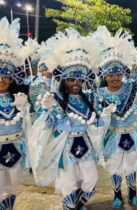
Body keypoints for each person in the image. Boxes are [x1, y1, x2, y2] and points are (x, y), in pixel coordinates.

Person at [30, 28, 115, 210]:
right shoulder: (55, 98)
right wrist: (45, 110)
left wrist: (106, 114)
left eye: (79, 79)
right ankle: (71, 206)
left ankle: (77, 203)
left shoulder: (90, 98)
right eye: (71, 79)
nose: (75, 83)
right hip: (65, 146)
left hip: (85, 144)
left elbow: (95, 122)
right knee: (68, 184)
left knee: (91, 179)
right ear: (63, 80)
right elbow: (47, 125)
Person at [92, 26, 137, 208]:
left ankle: (132, 194)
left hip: (131, 134)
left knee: (131, 166)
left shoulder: (131, 88)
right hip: (112, 136)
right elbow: (95, 118)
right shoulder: (98, 94)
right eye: (111, 74)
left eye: (118, 74)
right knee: (114, 167)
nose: (115, 78)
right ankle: (117, 195)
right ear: (105, 75)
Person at [0, 17, 32, 210]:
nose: (2, 80)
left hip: (14, 148)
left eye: (6, 76)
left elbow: (27, 124)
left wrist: (23, 108)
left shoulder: (17, 98)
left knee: (11, 188)